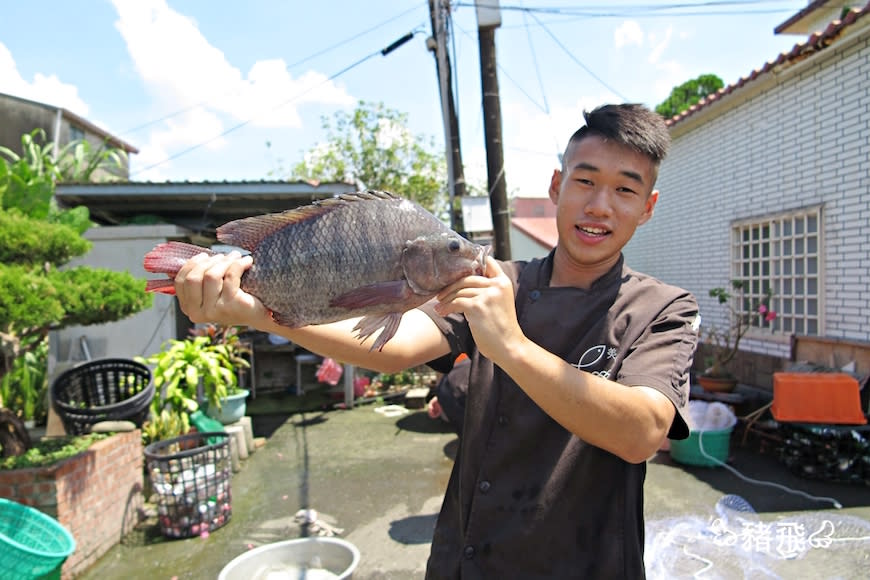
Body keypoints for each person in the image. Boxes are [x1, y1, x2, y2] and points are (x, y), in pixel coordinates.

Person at [172, 103, 699, 578]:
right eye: (585, 182)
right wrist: (257, 312)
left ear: (647, 207)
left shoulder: (663, 308)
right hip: (466, 560)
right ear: (557, 186)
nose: (600, 205)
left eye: (625, 189)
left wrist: (511, 345)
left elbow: (641, 433)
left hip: (587, 564)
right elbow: (394, 344)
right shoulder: (495, 282)